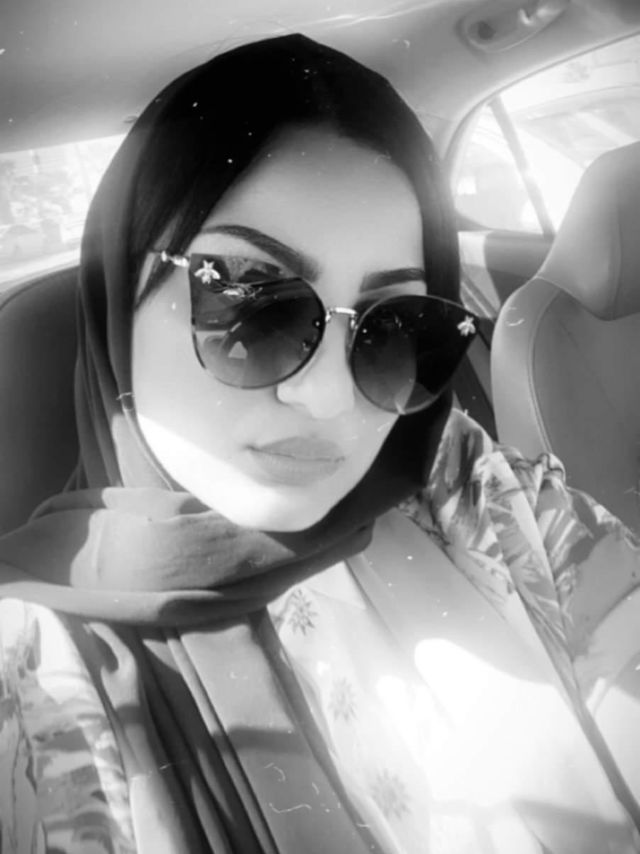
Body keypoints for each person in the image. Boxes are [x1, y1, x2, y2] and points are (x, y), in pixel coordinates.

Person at [0, 33, 639, 854]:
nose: (330, 395)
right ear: (119, 299)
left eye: (393, 327)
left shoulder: (472, 488)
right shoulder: (33, 672)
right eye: (252, 302)